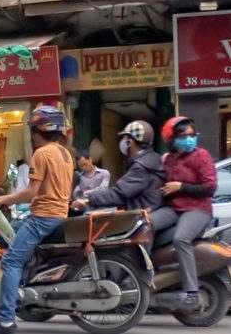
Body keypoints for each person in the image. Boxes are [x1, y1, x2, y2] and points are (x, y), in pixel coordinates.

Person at [0, 105, 73, 334]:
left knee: (11, 261)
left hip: (43, 218)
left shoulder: (42, 154)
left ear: (38, 131)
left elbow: (30, 193)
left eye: (32, 131)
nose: (32, 136)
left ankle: (5, 321)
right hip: (59, 215)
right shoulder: (65, 154)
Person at [72, 121, 175, 233]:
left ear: (129, 142)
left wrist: (88, 199)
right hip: (153, 208)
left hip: (145, 213)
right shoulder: (155, 158)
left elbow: (118, 194)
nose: (122, 142)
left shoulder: (141, 166)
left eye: (124, 139)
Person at [161, 116, 218, 311]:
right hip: (174, 208)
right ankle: (145, 277)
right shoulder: (169, 159)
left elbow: (210, 187)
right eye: (183, 136)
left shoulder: (201, 155)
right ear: (171, 139)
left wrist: (181, 187)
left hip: (197, 209)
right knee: (145, 224)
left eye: (192, 135)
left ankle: (192, 291)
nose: (189, 139)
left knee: (181, 239)